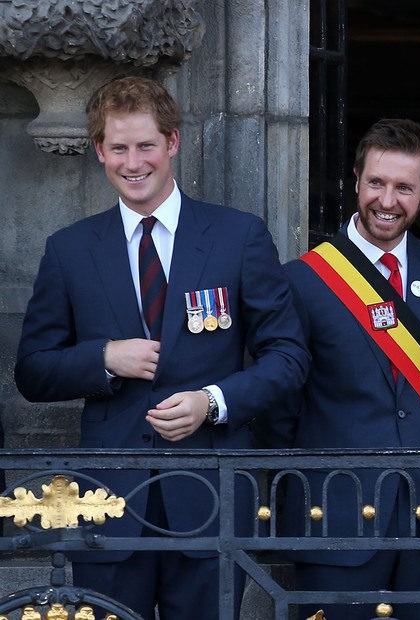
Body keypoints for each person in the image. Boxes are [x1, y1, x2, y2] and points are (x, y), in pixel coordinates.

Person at [14, 76, 309, 619]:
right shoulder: (70, 250)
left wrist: (213, 401)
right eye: (119, 148)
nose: (134, 162)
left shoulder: (237, 236)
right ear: (99, 150)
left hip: (211, 494)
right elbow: (32, 371)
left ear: (172, 142)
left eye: (146, 145)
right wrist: (102, 357)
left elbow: (288, 358)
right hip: (107, 500)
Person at [278, 118, 420, 620]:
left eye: (404, 187)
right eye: (376, 183)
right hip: (336, 517)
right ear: (355, 180)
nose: (387, 200)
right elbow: (280, 405)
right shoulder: (303, 280)